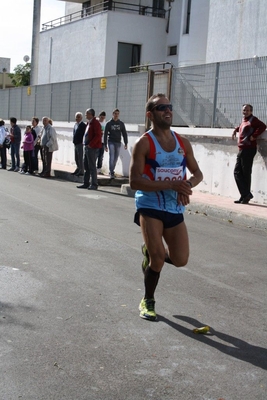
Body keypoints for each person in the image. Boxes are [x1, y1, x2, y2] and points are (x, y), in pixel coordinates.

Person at [129, 93, 203, 321]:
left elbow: (197, 174)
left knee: (181, 260)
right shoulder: (144, 143)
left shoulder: (183, 143)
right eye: (161, 107)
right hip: (150, 205)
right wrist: (171, 184)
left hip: (174, 208)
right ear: (151, 114)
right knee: (158, 260)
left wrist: (186, 186)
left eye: (169, 106)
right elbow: (135, 182)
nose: (167, 110)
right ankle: (147, 300)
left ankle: (150, 251)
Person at [232, 104, 266, 204]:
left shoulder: (253, 119)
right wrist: (236, 129)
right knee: (239, 172)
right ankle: (245, 195)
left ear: (251, 111)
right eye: (244, 110)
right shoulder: (244, 120)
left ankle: (246, 195)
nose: (245, 112)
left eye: (247, 110)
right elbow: (245, 128)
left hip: (248, 149)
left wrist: (254, 136)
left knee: (244, 173)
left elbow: (263, 126)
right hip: (242, 149)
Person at [77, 108, 102, 190]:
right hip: (87, 146)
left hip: (92, 148)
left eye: (87, 113)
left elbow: (98, 136)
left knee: (92, 166)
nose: (85, 115)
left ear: (91, 114)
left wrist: (91, 145)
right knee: (86, 166)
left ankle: (94, 184)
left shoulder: (96, 123)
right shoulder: (89, 123)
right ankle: (86, 183)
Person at [104, 108, 128, 178]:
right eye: (115, 113)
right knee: (112, 156)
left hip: (118, 142)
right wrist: (105, 145)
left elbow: (124, 133)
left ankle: (112, 170)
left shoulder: (121, 124)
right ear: (112, 114)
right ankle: (111, 172)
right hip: (111, 141)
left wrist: (126, 143)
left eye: (117, 114)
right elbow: (105, 135)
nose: (116, 115)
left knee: (116, 158)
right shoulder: (109, 123)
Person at [72, 112, 86, 176]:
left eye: (78, 117)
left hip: (80, 143)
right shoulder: (75, 125)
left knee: (80, 157)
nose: (77, 118)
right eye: (76, 117)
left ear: (81, 117)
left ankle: (81, 171)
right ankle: (78, 168)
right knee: (76, 157)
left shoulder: (83, 125)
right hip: (76, 143)